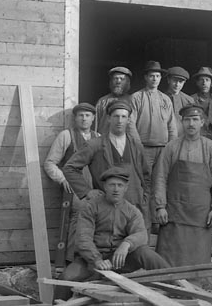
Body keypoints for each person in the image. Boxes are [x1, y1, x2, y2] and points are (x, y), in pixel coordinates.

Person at [57, 167, 169, 298]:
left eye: (120, 185)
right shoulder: (90, 207)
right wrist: (97, 260)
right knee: (66, 278)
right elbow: (83, 239)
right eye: (112, 185)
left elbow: (141, 234)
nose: (116, 189)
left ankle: (178, 285)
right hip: (90, 260)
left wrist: (126, 244)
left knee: (145, 253)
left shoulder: (132, 211)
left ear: (126, 188)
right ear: (105, 186)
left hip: (119, 259)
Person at [154, 103, 212, 267]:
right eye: (187, 120)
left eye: (195, 119)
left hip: (200, 215)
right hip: (174, 214)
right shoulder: (171, 147)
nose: (191, 124)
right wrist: (160, 206)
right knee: (169, 261)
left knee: (197, 262)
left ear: (202, 122)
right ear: (182, 122)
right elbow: (160, 177)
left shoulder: (211, 148)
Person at [64, 99, 151, 227]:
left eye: (123, 117)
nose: (120, 121)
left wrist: (145, 197)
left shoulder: (136, 145)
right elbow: (70, 168)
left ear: (128, 120)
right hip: (107, 208)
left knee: (137, 238)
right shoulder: (95, 144)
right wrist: (87, 191)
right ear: (109, 118)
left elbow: (146, 175)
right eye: (116, 116)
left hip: (135, 207)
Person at [43, 102, 100, 263]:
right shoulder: (66, 136)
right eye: (80, 115)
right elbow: (50, 163)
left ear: (93, 118)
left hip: (94, 187)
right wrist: (62, 179)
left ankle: (93, 258)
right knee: (79, 218)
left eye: (87, 115)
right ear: (75, 118)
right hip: (75, 187)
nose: (84, 119)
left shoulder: (99, 137)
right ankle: (73, 259)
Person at [128, 60, 177, 225]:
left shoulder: (165, 99)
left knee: (160, 182)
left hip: (163, 148)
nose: (155, 79)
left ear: (161, 78)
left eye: (157, 76)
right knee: (144, 184)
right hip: (143, 148)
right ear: (145, 77)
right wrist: (138, 147)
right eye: (151, 76)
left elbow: (171, 125)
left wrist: (171, 147)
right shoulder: (136, 97)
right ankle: (144, 222)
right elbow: (130, 124)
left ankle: (157, 221)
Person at [95, 66, 133, 135]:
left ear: (127, 82)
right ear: (111, 81)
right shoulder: (102, 101)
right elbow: (95, 124)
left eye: (122, 79)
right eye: (116, 78)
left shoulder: (132, 100)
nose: (118, 81)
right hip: (104, 139)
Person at [165, 66, 195, 137]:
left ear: (184, 82)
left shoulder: (189, 100)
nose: (177, 84)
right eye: (174, 80)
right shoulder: (160, 98)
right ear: (168, 80)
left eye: (180, 82)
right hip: (164, 137)